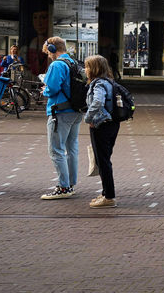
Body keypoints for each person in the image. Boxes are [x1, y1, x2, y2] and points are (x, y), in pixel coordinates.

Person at [39, 37, 83, 200]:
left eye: (47, 52)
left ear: (51, 49)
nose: (48, 56)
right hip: (76, 110)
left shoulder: (57, 64)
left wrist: (45, 90)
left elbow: (52, 88)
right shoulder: (73, 62)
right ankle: (70, 183)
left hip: (60, 112)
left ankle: (63, 187)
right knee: (72, 149)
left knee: (56, 150)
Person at [83, 55, 120, 208]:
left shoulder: (97, 84)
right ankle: (106, 193)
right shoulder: (109, 82)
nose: (85, 70)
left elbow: (98, 101)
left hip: (101, 125)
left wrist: (88, 118)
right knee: (104, 159)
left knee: (103, 161)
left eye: (87, 67)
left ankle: (109, 197)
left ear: (94, 69)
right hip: (112, 123)